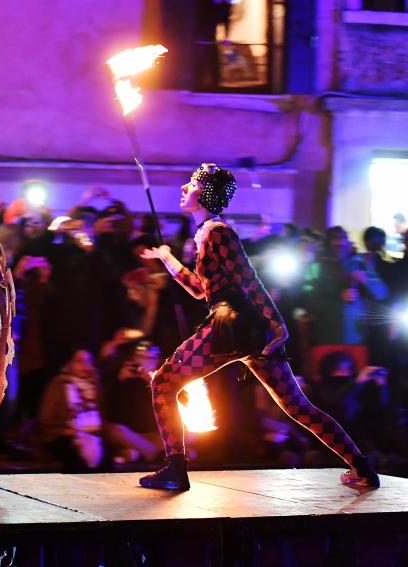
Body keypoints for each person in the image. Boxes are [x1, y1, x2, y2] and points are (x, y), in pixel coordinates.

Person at [137, 163, 379, 490]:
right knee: (296, 407)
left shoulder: (218, 232)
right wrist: (168, 259)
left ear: (205, 193)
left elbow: (249, 281)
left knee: (164, 384)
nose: (184, 188)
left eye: (192, 183)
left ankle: (175, 471)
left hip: (232, 327)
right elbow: (201, 289)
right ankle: (363, 469)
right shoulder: (208, 232)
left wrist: (279, 326)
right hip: (247, 330)